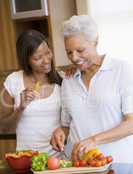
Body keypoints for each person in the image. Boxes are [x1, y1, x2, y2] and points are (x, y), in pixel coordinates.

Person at [50, 15, 133, 163]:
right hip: (80, 170)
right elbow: (67, 125)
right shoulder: (68, 80)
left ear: (95, 41)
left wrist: (95, 140)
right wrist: (60, 132)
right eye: (69, 52)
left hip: (119, 167)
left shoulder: (121, 70)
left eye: (80, 50)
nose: (74, 58)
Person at [0, 29, 62, 157]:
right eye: (37, 58)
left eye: (47, 53)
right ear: (26, 60)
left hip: (58, 161)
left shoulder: (63, 81)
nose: (46, 60)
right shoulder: (13, 81)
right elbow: (4, 128)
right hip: (27, 160)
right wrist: (20, 108)